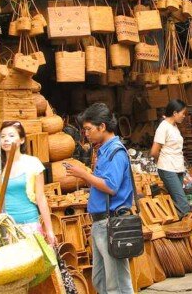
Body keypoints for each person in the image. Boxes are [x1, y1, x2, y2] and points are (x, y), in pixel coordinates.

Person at [67, 103, 134, 294]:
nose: (86, 133)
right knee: (101, 279)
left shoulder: (116, 152)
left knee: (117, 283)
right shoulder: (104, 150)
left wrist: (84, 175)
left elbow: (111, 187)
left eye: (88, 129)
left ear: (102, 127)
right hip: (101, 222)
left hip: (110, 222)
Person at [0, 121, 56, 245]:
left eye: (11, 136)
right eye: (3, 136)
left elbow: (41, 197)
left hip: (30, 225)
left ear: (22, 140)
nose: (6, 139)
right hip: (6, 227)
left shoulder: (33, 163)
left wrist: (49, 230)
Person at [150, 99, 190, 219]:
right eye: (182, 113)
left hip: (177, 168)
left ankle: (171, 227)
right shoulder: (163, 127)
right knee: (183, 205)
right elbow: (153, 152)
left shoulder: (174, 126)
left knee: (173, 200)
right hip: (168, 168)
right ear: (174, 113)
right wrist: (160, 161)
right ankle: (172, 225)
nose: (184, 116)